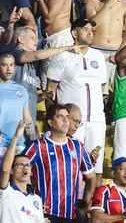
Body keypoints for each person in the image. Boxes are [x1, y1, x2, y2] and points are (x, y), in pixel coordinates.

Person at [47, 17, 106, 188]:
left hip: (96, 120)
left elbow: (102, 89)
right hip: (71, 123)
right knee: (72, 165)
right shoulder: (62, 56)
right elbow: (51, 91)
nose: (90, 32)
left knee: (97, 166)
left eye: (91, 29)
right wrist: (56, 121)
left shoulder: (98, 56)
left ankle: (93, 208)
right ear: (74, 33)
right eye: (85, 29)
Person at [22, 104, 97, 222]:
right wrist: (29, 199)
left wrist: (85, 202)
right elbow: (17, 170)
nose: (65, 119)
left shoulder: (78, 147)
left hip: (71, 214)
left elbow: (91, 176)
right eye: (60, 116)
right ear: (50, 122)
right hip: (46, 213)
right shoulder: (38, 146)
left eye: (67, 116)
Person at [12, 26, 81, 125]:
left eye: (36, 38)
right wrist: (67, 48)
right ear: (21, 39)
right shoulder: (16, 53)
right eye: (32, 38)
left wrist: (44, 96)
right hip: (15, 118)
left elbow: (32, 98)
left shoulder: (31, 67)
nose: (36, 41)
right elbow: (37, 55)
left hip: (30, 121)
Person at [29, 0, 74, 89]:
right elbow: (35, 15)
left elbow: (48, 18)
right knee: (46, 86)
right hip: (48, 41)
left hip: (60, 40)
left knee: (55, 87)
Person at [85, 0, 126, 92]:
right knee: (96, 93)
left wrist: (118, 54)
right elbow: (91, 26)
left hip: (114, 55)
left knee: (113, 95)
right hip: (95, 53)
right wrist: (108, 6)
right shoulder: (92, 3)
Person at [0, 120, 45, 223]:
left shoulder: (36, 199)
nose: (25, 168)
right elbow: (4, 170)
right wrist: (16, 137)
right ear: (12, 170)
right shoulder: (6, 192)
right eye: (20, 165)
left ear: (31, 171)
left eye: (27, 165)